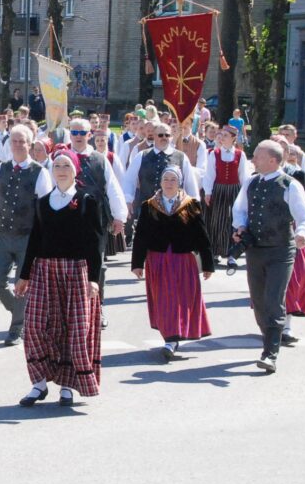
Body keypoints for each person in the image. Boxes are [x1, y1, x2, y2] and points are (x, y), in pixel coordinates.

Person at [14, 149, 103, 407]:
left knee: (72, 329)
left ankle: (67, 385)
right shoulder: (43, 202)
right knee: (34, 326)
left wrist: (94, 279)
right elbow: (35, 239)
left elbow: (95, 243)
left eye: (66, 165)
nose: (61, 170)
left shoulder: (87, 200)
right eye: (57, 166)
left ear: (75, 170)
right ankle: (39, 383)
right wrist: (24, 274)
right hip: (44, 269)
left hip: (77, 270)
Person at [231, 140, 305, 373]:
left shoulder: (290, 185)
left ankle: (270, 353)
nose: (253, 159)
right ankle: (269, 335)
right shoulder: (251, 182)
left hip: (281, 250)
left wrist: (302, 234)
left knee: (273, 299)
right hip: (255, 250)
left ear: (272, 160)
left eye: (257, 156)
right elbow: (239, 209)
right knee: (258, 301)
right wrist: (239, 226)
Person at [0, 125, 53, 345]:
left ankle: (16, 327)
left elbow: (45, 208)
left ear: (30, 144)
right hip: (2, 234)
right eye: (15, 141)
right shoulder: (0, 169)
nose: (18, 145)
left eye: (22, 141)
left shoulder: (40, 172)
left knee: (22, 284)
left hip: (28, 237)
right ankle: (21, 313)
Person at [130, 167, 215, 361]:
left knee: (182, 298)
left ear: (180, 183)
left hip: (182, 259)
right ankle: (170, 338)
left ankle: (174, 337)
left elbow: (202, 236)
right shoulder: (149, 206)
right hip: (157, 259)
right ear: (160, 182)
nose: (169, 183)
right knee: (164, 299)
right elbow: (141, 237)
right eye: (165, 179)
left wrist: (208, 264)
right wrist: (137, 263)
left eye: (173, 180)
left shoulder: (190, 205)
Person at [66, 118, 128, 328]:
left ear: (89, 135)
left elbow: (112, 187)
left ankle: (97, 308)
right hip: (67, 219)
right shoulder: (60, 157)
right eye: (74, 132)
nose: (78, 136)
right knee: (67, 264)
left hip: (95, 220)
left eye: (82, 133)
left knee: (97, 265)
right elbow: (49, 188)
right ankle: (69, 310)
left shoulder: (100, 159)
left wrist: (120, 216)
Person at [282, 144, 305, 345]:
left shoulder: (301, 177)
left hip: (296, 232)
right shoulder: (261, 178)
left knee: (296, 278)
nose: (291, 156)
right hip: (272, 234)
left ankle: (287, 325)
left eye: (294, 153)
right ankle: (273, 323)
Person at [202, 125, 249, 259]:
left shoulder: (240, 154)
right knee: (218, 219)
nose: (222, 138)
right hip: (219, 189)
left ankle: (232, 251)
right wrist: (208, 192)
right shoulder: (214, 153)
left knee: (234, 219)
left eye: (226, 136)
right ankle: (216, 250)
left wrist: (244, 193)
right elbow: (209, 174)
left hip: (234, 189)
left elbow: (243, 175)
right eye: (221, 135)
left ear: (234, 138)